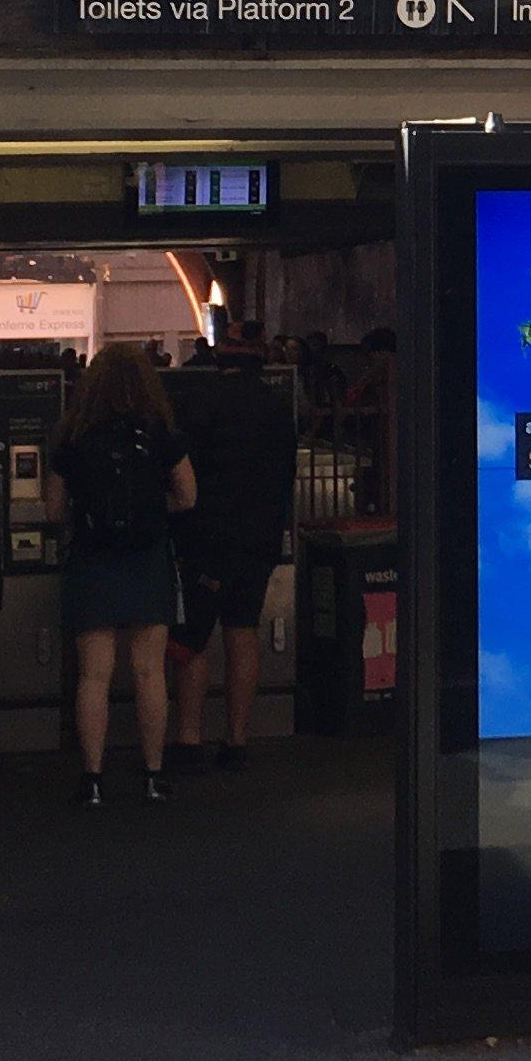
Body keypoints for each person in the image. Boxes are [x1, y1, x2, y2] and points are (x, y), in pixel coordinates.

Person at [50, 343, 200, 806]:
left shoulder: (73, 435)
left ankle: (92, 779)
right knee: (148, 672)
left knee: (94, 675)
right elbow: (189, 497)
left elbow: (55, 508)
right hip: (146, 557)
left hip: (93, 559)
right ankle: (153, 775)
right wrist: (154, 511)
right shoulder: (159, 432)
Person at [167, 328, 297, 767]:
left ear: (219, 358)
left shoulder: (201, 401)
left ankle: (188, 740)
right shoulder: (278, 407)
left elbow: (183, 472)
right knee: (243, 632)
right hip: (259, 538)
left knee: (193, 639)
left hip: (208, 538)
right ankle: (237, 740)